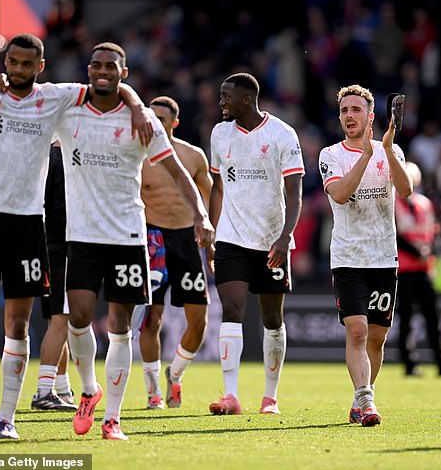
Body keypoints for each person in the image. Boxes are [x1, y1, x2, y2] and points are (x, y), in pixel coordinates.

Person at [0, 0, 153, 440]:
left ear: (40, 66)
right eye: (12, 61)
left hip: (30, 221)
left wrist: (134, 105)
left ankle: (8, 417)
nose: (18, 68)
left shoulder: (56, 97)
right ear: (4, 62)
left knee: (16, 321)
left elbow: (107, 80)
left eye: (27, 63)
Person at [59, 42, 214, 440]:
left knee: (121, 326)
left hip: (129, 235)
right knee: (78, 320)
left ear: (124, 72)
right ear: (88, 69)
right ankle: (90, 390)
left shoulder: (145, 125)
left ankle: (113, 418)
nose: (103, 71)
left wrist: (201, 215)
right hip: (83, 234)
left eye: (112, 66)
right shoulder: (68, 109)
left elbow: (181, 174)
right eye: (96, 65)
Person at [207, 73, 304, 416]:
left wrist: (285, 236)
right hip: (231, 238)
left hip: (271, 242)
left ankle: (270, 396)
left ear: (246, 100)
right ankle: (231, 396)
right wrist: (211, 229)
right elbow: (217, 187)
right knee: (231, 310)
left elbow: (294, 192)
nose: (221, 103)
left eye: (226, 97)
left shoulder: (282, 134)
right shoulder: (220, 134)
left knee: (272, 319)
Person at [318, 84, 412, 427]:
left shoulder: (392, 150)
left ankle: (362, 396)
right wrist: (365, 156)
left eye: (356, 110)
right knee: (356, 331)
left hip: (384, 256)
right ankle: (366, 400)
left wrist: (384, 150)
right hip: (348, 257)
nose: (349, 116)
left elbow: (406, 189)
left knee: (377, 336)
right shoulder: (331, 155)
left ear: (370, 116)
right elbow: (341, 195)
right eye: (344, 111)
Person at [135, 95, 213, 410]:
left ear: (174, 123)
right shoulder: (136, 157)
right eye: (150, 118)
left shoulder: (193, 157)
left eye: (161, 120)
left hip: (187, 239)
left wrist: (215, 240)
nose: (154, 124)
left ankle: (175, 375)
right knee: (151, 318)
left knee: (198, 322)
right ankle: (153, 391)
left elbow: (212, 199)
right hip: (151, 239)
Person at [396, 162, 441, 377]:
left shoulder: (424, 203)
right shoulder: (393, 204)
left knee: (433, 318)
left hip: (424, 268)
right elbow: (395, 236)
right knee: (407, 319)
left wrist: (430, 251)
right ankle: (410, 365)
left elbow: (434, 232)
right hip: (404, 269)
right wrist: (419, 252)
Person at [30, 142, 77, 411]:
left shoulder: (39, 152)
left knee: (56, 320)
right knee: (63, 319)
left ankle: (62, 388)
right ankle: (45, 391)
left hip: (44, 243)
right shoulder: (64, 154)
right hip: (64, 244)